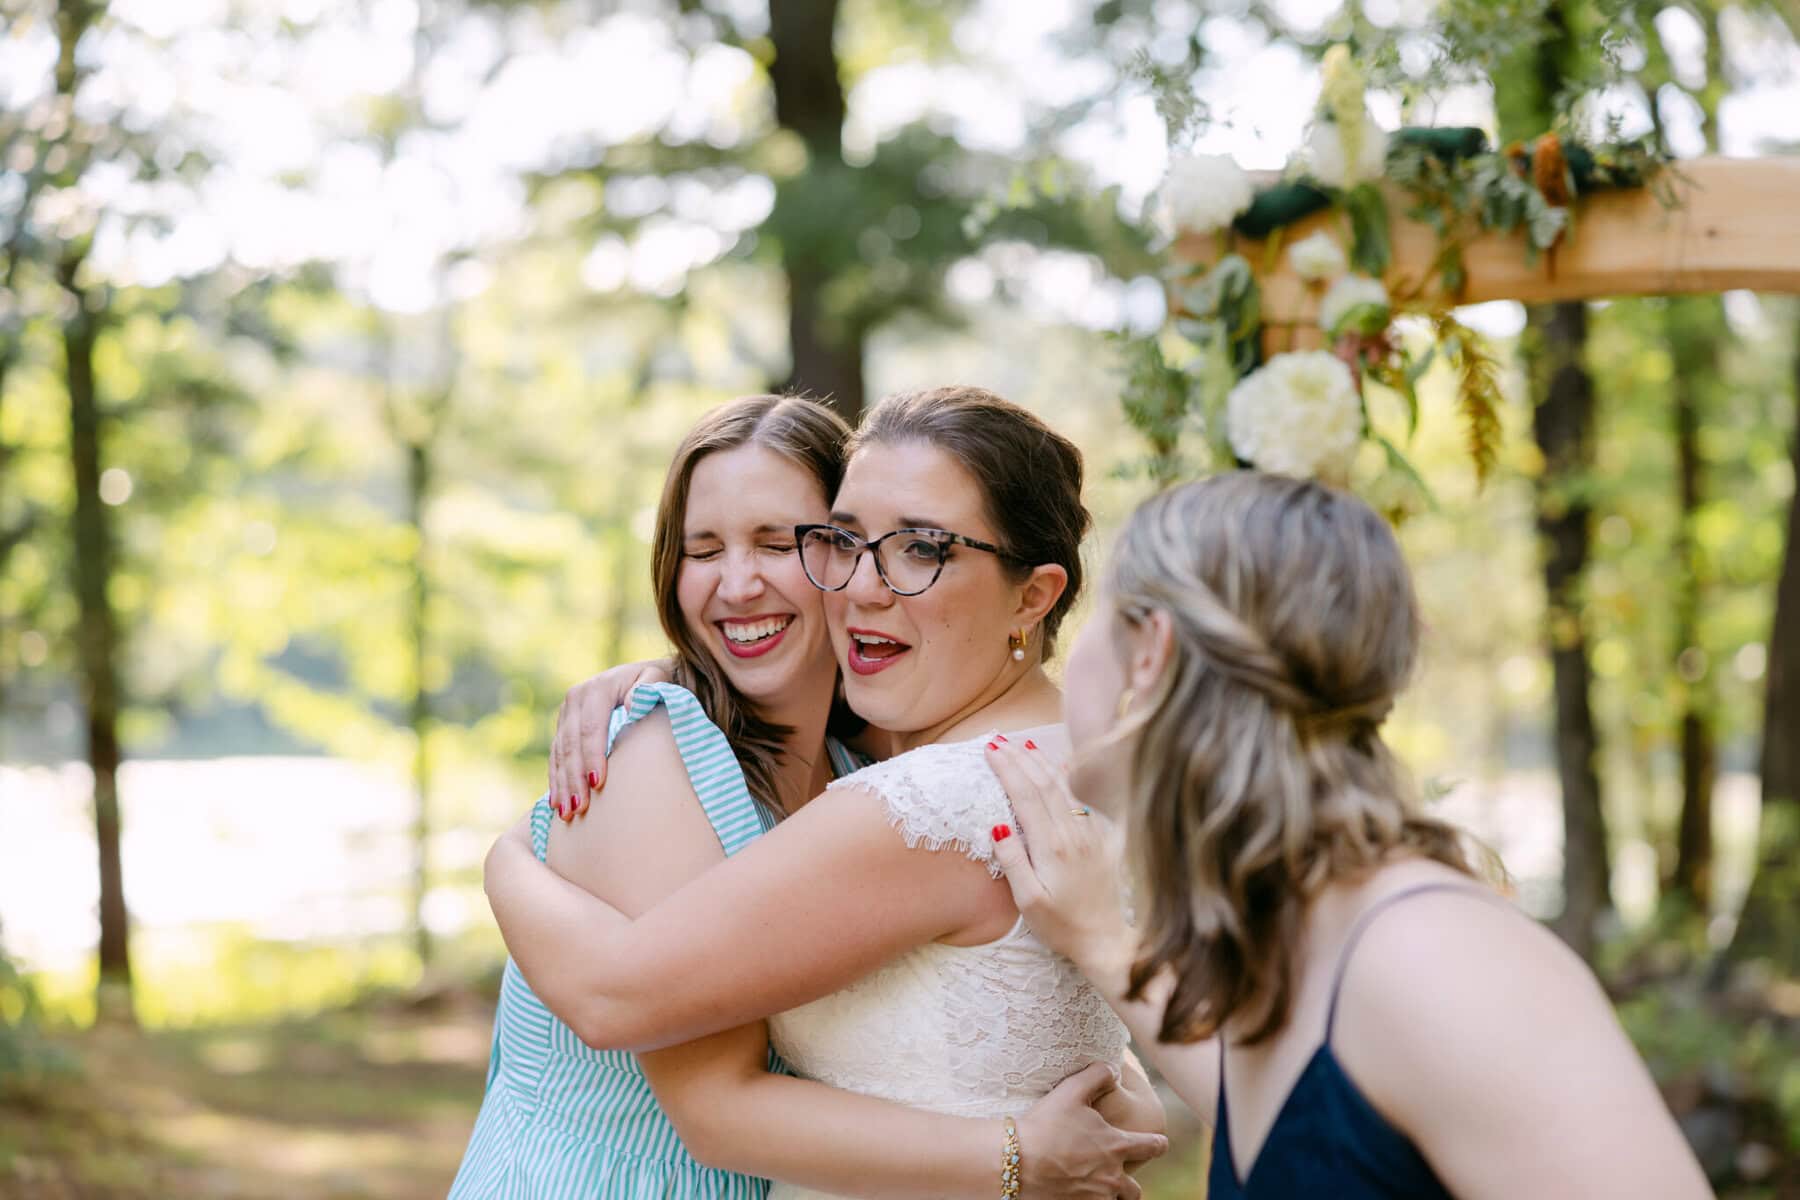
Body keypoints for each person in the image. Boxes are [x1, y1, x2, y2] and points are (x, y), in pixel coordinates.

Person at [454, 392, 1166, 1200]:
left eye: (781, 542)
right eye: (702, 548)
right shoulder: (654, 748)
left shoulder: (886, 778)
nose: (738, 583)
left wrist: (507, 856)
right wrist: (511, 850)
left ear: (1032, 595)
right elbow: (662, 1050)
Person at [981, 471, 1715, 1199]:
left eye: (1093, 623)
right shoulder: (1310, 939)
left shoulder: (1438, 955)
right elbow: (1299, 1133)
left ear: (1151, 653)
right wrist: (1101, 939)